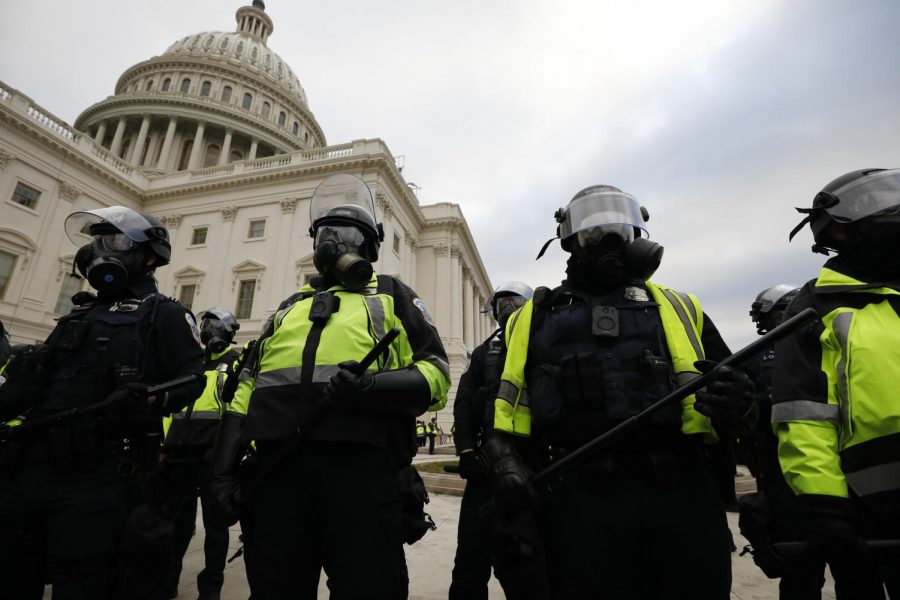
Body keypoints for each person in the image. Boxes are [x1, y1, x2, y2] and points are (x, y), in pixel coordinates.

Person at [486, 184, 757, 599]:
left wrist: (742, 404)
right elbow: (506, 405)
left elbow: (740, 394)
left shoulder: (680, 306)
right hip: (581, 499)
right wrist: (504, 460)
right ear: (570, 241)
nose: (610, 241)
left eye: (620, 231)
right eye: (595, 233)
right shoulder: (532, 317)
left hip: (680, 494)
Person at [209, 173, 450, 599]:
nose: (334, 244)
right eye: (326, 234)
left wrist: (371, 387)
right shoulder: (288, 308)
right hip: (277, 473)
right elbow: (244, 392)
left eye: (347, 236)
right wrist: (223, 474)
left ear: (370, 247)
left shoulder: (393, 296)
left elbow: (436, 377)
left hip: (361, 474)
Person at [0, 206, 205, 599]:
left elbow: (192, 379)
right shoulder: (78, 314)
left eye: (113, 241)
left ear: (148, 256)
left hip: (99, 479)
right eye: (96, 240)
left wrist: (146, 399)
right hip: (29, 475)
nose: (98, 250)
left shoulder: (164, 313)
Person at [773, 167, 900, 598]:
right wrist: (825, 505)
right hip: (875, 506)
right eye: (880, 202)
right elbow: (804, 415)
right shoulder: (817, 307)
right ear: (838, 231)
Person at [742, 285, 834, 598]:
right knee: (801, 573)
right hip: (786, 478)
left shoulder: (833, 343)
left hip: (837, 471)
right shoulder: (754, 358)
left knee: (856, 566)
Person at [449, 281, 533, 600]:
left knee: (526, 565)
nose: (505, 309)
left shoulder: (544, 340)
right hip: (485, 471)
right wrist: (467, 450)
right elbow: (464, 403)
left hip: (533, 467)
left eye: (512, 301)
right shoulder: (485, 351)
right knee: (470, 561)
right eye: (499, 305)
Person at [162, 308, 241, 600]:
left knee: (215, 527)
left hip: (212, 455)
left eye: (212, 323)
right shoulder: (192, 363)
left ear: (227, 330)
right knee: (176, 526)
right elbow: (172, 410)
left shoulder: (236, 362)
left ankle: (210, 589)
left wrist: (222, 451)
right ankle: (168, 582)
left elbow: (235, 409)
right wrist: (164, 447)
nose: (206, 329)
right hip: (179, 454)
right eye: (205, 323)